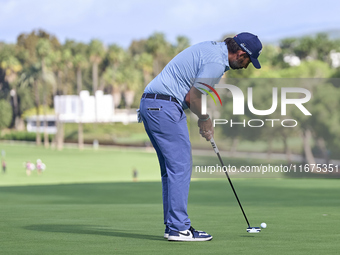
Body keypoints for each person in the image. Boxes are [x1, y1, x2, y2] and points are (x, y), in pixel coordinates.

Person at [138, 32, 262, 241]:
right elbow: (193, 97)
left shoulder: (212, 49)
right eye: (249, 60)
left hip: (152, 104)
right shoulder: (216, 62)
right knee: (180, 166)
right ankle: (179, 228)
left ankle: (174, 226)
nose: (248, 65)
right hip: (165, 106)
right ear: (241, 53)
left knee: (171, 171)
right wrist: (205, 119)